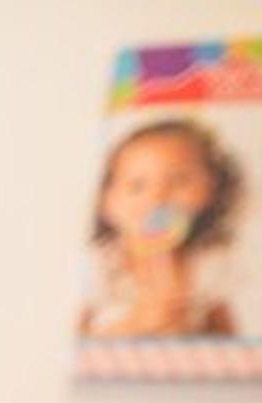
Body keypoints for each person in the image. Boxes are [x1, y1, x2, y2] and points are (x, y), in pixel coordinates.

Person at [79, 117, 245, 338]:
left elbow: (228, 338)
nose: (158, 196)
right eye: (136, 186)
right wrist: (137, 323)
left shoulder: (209, 263)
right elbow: (73, 342)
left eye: (179, 181)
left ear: (210, 191)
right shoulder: (98, 265)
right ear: (106, 203)